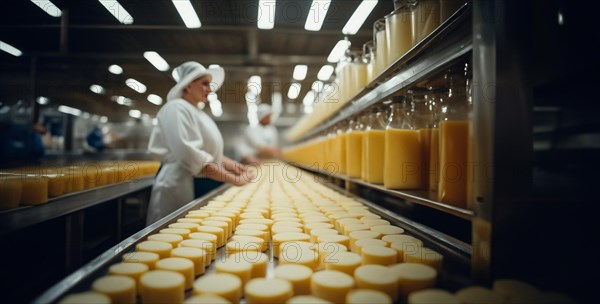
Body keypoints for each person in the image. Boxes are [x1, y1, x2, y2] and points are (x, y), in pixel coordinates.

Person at [146, 61, 251, 225]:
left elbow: (211, 153)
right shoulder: (176, 108)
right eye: (205, 84)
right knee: (171, 232)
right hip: (177, 184)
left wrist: (236, 167)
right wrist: (234, 179)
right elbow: (191, 156)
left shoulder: (198, 112)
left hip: (195, 181)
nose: (210, 89)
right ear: (188, 86)